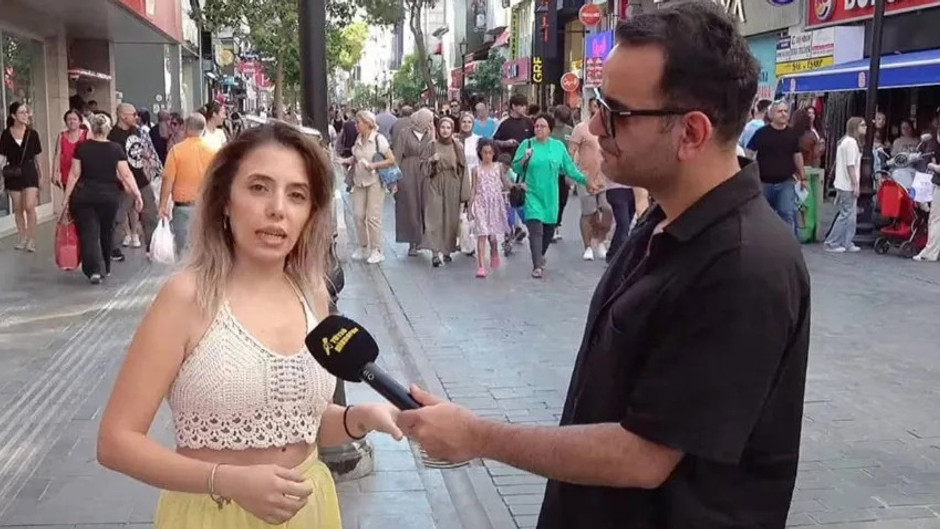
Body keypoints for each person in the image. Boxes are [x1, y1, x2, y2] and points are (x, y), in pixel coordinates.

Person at [396, 3, 811, 528]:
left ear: (691, 132)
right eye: (597, 104)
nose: (593, 125)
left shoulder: (745, 265)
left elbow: (643, 455)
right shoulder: (664, 217)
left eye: (615, 112)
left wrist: (478, 437)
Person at [96, 123, 403, 529]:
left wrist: (357, 418)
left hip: (310, 509)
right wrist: (226, 480)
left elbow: (296, 422)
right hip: (214, 515)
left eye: (297, 195)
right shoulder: (186, 297)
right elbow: (116, 442)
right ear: (225, 200)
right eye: (259, 188)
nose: (278, 209)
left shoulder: (312, 293)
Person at [63, 113, 144, 283]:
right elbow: (126, 174)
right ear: (108, 129)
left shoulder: (82, 147)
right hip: (109, 197)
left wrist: (66, 197)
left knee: (89, 233)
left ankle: (94, 270)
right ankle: (105, 267)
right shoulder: (115, 149)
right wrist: (137, 194)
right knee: (107, 231)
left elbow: (74, 174)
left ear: (92, 129)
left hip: (84, 197)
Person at [511, 114, 587, 278]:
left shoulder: (557, 147)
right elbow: (516, 167)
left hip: (551, 196)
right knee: (536, 229)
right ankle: (537, 265)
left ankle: (540, 256)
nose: (538, 129)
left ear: (549, 130)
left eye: (542, 126)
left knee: (548, 231)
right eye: (536, 126)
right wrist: (524, 159)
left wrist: (585, 180)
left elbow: (569, 168)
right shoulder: (527, 144)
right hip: (531, 193)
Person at [340, 110, 396, 264]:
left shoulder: (379, 139)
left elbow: (391, 160)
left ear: (367, 123)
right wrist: (346, 160)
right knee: (358, 215)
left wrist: (374, 165)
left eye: (358, 122)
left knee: (373, 217)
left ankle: (377, 250)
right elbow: (357, 157)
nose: (356, 125)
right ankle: (363, 246)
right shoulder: (359, 138)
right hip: (359, 180)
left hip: (375, 181)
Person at [159, 113, 217, 256]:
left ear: (185, 128)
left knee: (184, 251)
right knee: (205, 249)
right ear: (204, 128)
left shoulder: (176, 151)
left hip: (183, 208)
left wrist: (163, 205)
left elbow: (168, 179)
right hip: (207, 207)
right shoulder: (214, 151)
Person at [747, 100, 806, 236]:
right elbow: (749, 153)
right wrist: (750, 174)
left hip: (786, 182)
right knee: (761, 217)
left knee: (787, 214)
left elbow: (797, 155)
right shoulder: (761, 133)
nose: (783, 114)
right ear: (771, 114)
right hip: (763, 182)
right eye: (780, 111)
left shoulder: (792, 134)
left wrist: (803, 177)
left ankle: (789, 245)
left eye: (785, 111)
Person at [110, 103, 159, 257]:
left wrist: (146, 157)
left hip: (141, 178)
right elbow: (115, 163)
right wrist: (123, 182)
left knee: (151, 212)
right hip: (125, 181)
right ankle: (112, 247)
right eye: (133, 114)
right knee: (119, 216)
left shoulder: (136, 131)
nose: (136, 117)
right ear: (122, 116)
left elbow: (137, 149)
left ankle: (152, 245)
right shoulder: (114, 136)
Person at [421, 117, 469, 267]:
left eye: (448, 128)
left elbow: (463, 167)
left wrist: (465, 193)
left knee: (450, 218)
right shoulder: (431, 145)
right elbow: (423, 167)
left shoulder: (457, 146)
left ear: (452, 129)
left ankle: (447, 249)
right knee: (434, 217)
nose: (445, 130)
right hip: (436, 182)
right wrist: (431, 160)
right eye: (442, 127)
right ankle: (435, 252)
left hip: (452, 183)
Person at [0, 102, 44, 252]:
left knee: (29, 206)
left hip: (29, 171)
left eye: (26, 112)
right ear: (13, 116)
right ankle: (22, 237)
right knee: (18, 208)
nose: (25, 115)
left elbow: (38, 156)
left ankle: (31, 239)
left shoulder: (33, 134)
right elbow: (2, 156)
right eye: (22, 112)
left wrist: (41, 175)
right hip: (13, 173)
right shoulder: (6, 134)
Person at [391, 108, 434, 256]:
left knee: (426, 205)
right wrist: (393, 180)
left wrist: (433, 134)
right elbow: (397, 156)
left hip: (425, 173)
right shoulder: (405, 133)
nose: (430, 123)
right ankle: (412, 243)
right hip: (408, 173)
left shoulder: (430, 135)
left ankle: (423, 239)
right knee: (410, 207)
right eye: (429, 120)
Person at [468, 138, 511, 278]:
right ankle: (481, 267)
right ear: (480, 153)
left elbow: (506, 183)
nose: (487, 155)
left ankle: (494, 251)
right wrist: (470, 208)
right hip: (481, 203)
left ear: (494, 153)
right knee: (482, 234)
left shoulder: (498, 167)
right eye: (484, 152)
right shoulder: (476, 170)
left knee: (492, 236)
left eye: (490, 153)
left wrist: (516, 188)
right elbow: (473, 189)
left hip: (494, 204)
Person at [824, 117, 866, 253]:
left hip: (844, 183)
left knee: (851, 214)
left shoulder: (846, 141)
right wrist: (855, 184)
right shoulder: (851, 143)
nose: (865, 127)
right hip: (847, 184)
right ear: (855, 127)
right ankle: (832, 242)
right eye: (862, 125)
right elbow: (850, 165)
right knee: (846, 214)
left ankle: (847, 241)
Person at [53, 109, 88, 190]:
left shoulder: (86, 134)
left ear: (80, 121)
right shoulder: (61, 135)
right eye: (69, 119)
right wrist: (55, 173)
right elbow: (57, 154)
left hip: (83, 174)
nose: (72, 122)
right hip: (66, 173)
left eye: (75, 119)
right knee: (69, 196)